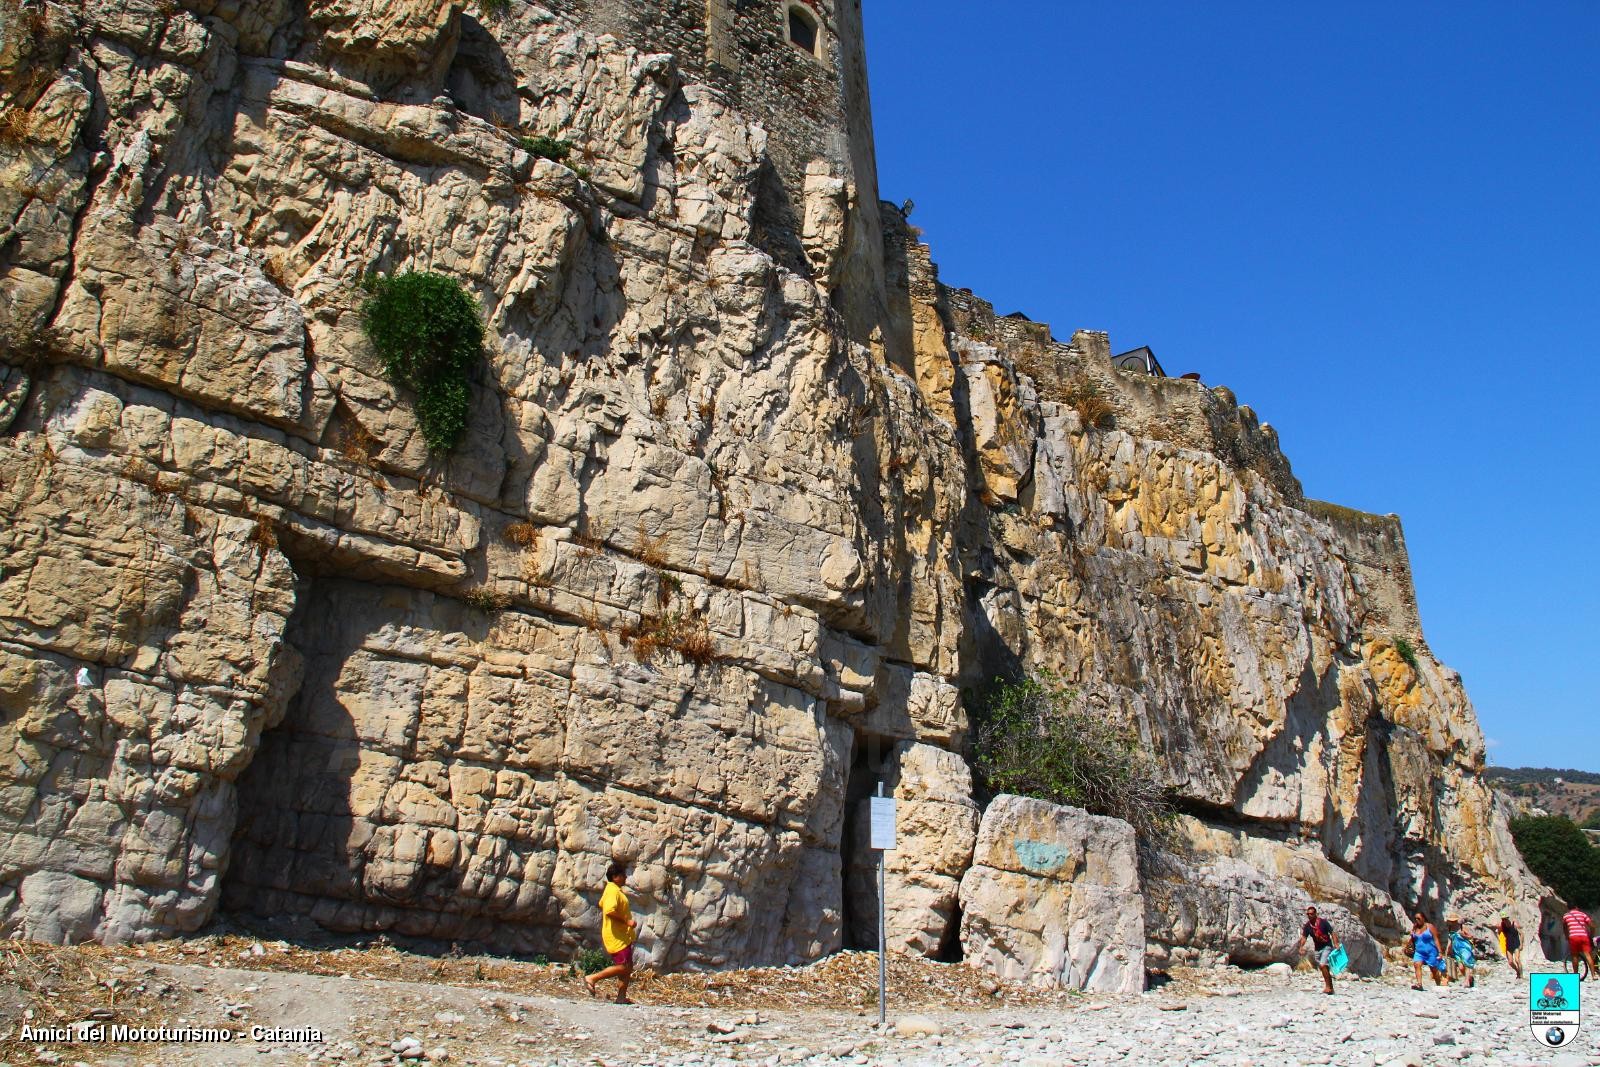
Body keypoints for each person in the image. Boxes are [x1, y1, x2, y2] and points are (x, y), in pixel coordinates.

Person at [584, 861, 638, 1004]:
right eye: (623, 875)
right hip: (616, 935)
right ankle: (592, 978)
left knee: (627, 968)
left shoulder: (615, 890)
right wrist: (627, 922)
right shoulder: (612, 891)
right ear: (615, 877)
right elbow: (609, 911)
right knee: (623, 966)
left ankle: (621, 997)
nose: (626, 878)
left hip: (622, 935)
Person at [1294, 905, 1341, 995]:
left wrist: (1336, 943)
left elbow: (1332, 933)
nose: (1309, 915)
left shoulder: (1323, 922)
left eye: (1311, 914)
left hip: (1327, 946)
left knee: (1323, 965)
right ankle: (1331, 988)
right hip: (1317, 949)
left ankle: (1328, 987)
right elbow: (1304, 937)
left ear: (1315, 914)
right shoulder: (1308, 926)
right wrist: (1301, 947)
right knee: (1323, 967)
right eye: (1308, 914)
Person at [1409, 912, 1447, 990]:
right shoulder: (1415, 927)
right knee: (1417, 964)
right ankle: (1419, 984)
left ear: (1423, 918)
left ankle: (1438, 983)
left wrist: (1440, 952)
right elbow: (1413, 939)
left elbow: (1436, 939)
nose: (1417, 920)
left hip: (1431, 952)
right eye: (1415, 918)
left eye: (1418, 918)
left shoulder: (1430, 927)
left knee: (1433, 969)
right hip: (1419, 952)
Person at [1562, 905, 1595, 981]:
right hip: (1584, 936)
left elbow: (1564, 927)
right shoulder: (1582, 914)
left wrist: (1567, 936)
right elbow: (1592, 926)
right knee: (1588, 955)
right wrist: (1591, 935)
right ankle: (1594, 975)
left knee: (1575, 956)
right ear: (1576, 907)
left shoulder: (1566, 916)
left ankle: (1575, 976)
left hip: (1573, 937)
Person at [1445, 914, 1476, 988]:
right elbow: (1450, 941)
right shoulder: (1450, 929)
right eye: (1451, 921)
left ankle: (1466, 982)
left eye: (1454, 921)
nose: (1452, 922)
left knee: (1466, 964)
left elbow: (1471, 937)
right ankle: (1469, 978)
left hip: (1465, 948)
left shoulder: (1462, 928)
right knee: (1461, 967)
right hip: (1456, 950)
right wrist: (1447, 951)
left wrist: (1464, 936)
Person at [1497, 913, 1524, 980]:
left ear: (1508, 918)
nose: (1504, 920)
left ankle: (1521, 975)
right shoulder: (1502, 925)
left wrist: (1521, 944)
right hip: (1508, 945)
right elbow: (1498, 933)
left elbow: (1521, 934)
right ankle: (1517, 971)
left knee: (1517, 960)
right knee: (1510, 962)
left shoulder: (1514, 924)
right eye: (1503, 919)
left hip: (1516, 944)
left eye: (1505, 919)